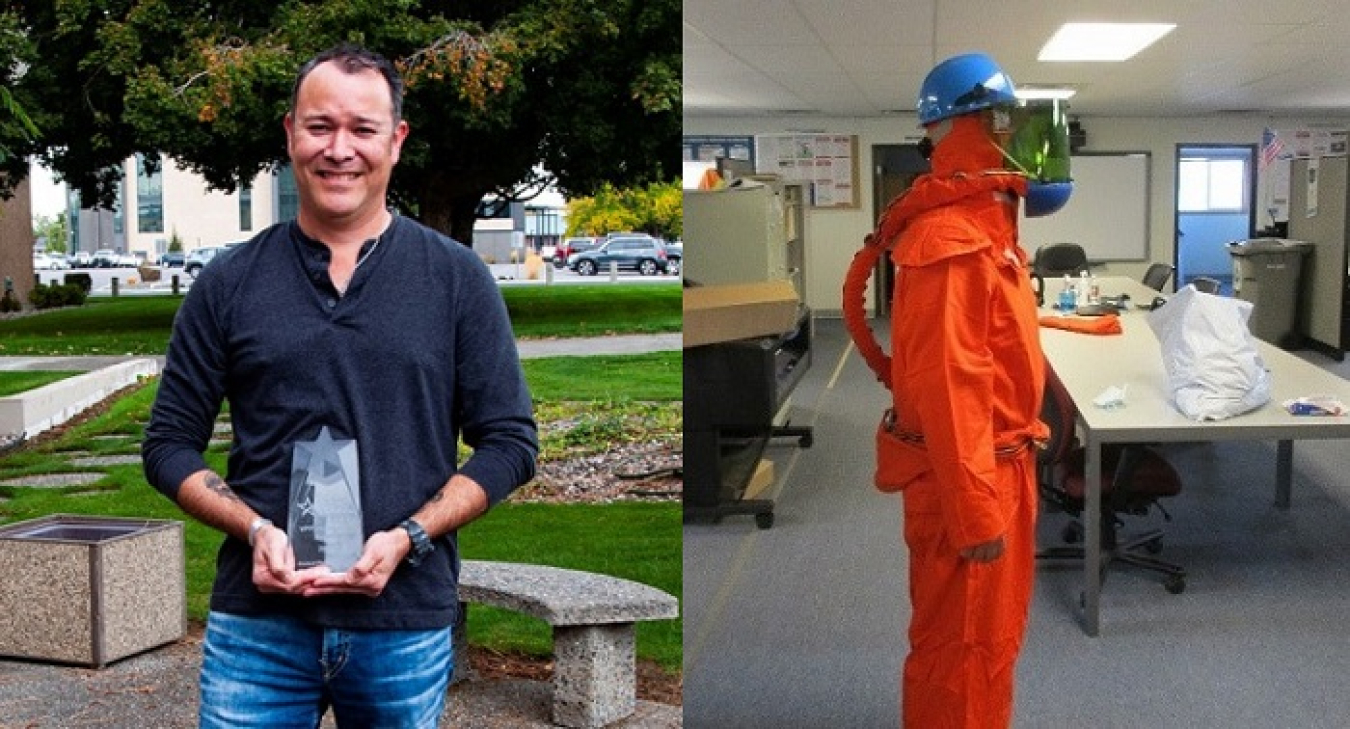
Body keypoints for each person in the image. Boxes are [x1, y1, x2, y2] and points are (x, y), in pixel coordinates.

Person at [141, 43, 538, 727]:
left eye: (362, 129)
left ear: (397, 140)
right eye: (320, 126)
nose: (339, 149)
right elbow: (169, 445)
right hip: (257, 624)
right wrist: (255, 527)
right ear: (290, 133)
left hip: (403, 622)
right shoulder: (229, 284)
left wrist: (410, 534)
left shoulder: (455, 281)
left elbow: (510, 442)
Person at [842, 52, 1073, 727]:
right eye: (1008, 119)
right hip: (971, 478)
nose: (1025, 137)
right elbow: (949, 384)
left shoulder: (987, 230)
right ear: (980, 124)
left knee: (992, 640)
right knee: (962, 651)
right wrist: (975, 512)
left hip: (998, 464)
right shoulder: (952, 236)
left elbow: (984, 346)